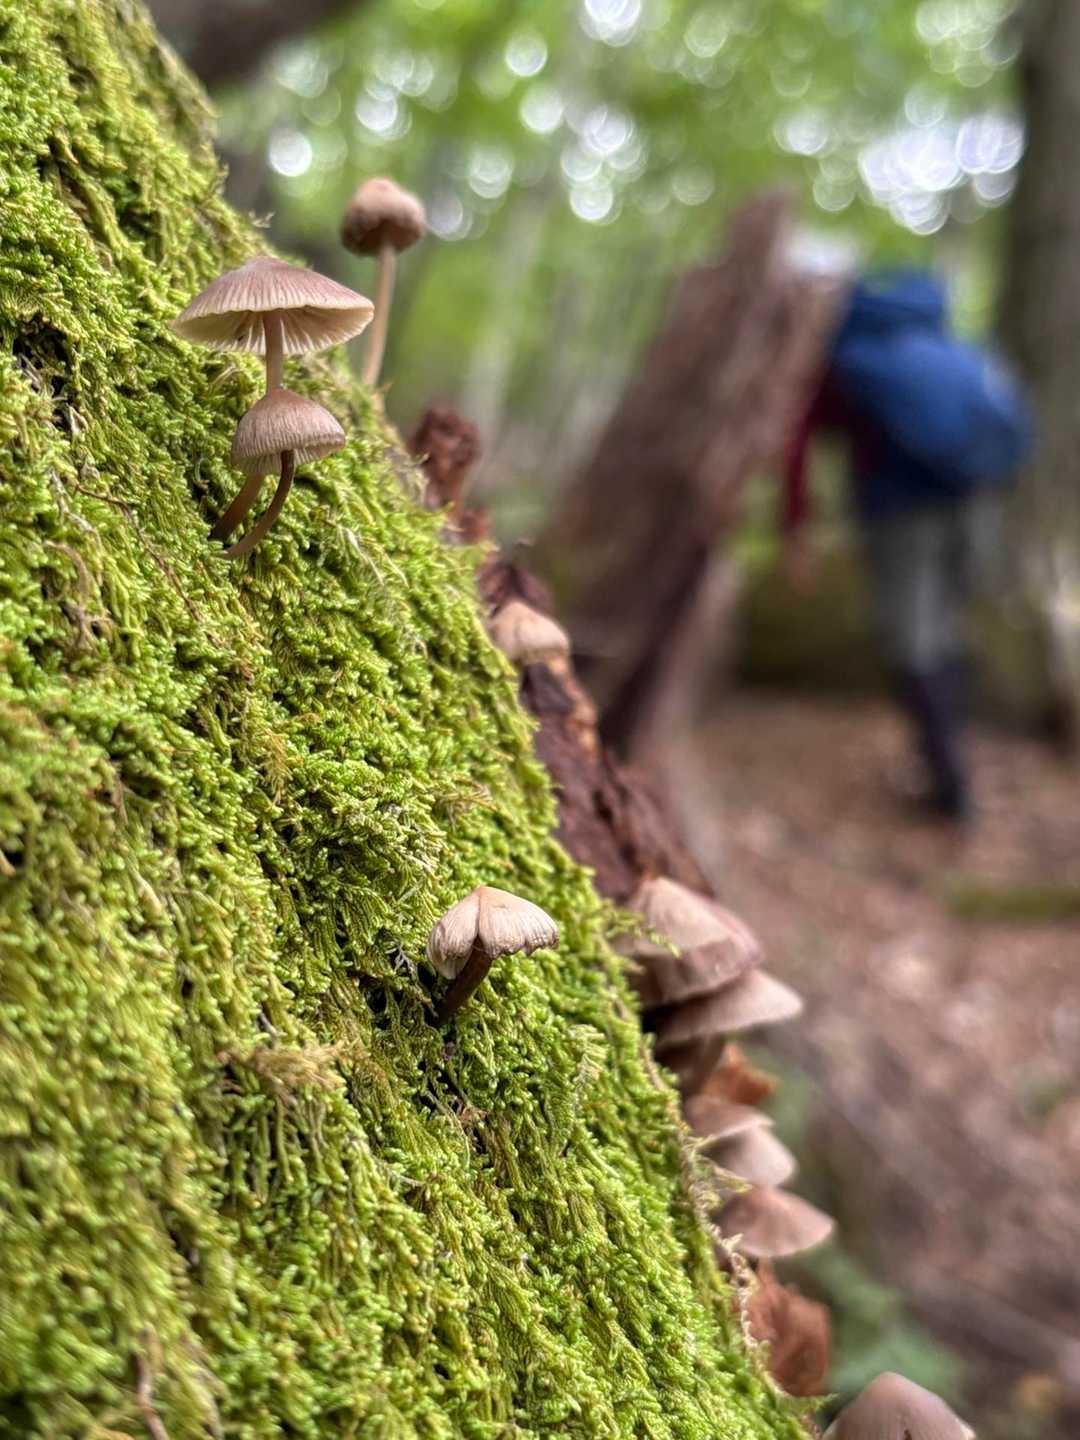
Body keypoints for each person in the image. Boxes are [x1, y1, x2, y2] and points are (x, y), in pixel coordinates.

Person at [781, 269, 1032, 821]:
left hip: (900, 513)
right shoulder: (942, 344)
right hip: (973, 501)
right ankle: (947, 765)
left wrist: (795, 527)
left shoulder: (845, 358)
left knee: (911, 640)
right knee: (945, 630)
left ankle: (950, 785)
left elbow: (799, 441)